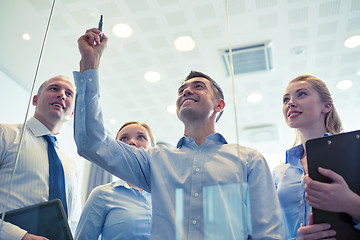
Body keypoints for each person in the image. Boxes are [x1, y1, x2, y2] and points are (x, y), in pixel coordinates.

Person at [73, 28, 286, 239]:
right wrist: (89, 64)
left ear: (219, 105)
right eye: (182, 90)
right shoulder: (154, 161)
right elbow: (91, 143)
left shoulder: (249, 160)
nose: (186, 91)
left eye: (199, 86)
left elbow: (268, 233)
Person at [273, 74, 360, 239]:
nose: (290, 103)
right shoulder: (279, 172)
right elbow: (270, 231)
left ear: (326, 106)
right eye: (285, 100)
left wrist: (350, 203)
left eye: (302, 94)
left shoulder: (354, 154)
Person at [0, 76, 81, 240]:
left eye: (69, 93)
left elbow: (73, 220)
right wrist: (19, 236)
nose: (62, 95)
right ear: (35, 99)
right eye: (54, 88)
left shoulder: (71, 164)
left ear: (72, 112)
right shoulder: (5, 135)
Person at [75, 121, 154, 240]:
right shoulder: (101, 194)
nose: (132, 142)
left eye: (141, 137)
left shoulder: (167, 195)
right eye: (124, 138)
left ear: (153, 148)